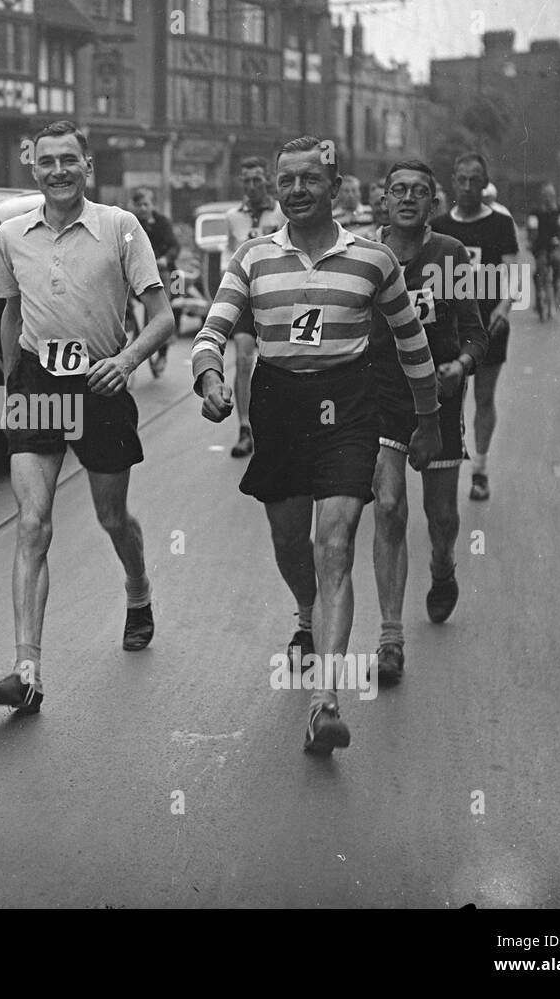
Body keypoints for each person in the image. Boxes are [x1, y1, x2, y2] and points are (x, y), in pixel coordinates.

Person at [192, 135, 441, 755]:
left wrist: (429, 418)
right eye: (287, 182)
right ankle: (305, 615)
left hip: (348, 407)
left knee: (334, 542)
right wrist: (210, 377)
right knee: (289, 541)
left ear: (335, 186)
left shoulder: (371, 260)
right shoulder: (251, 259)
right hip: (279, 404)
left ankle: (326, 700)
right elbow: (211, 331)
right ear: (276, 190)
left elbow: (412, 344)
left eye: (310, 180)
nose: (297, 192)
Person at [0, 120, 174, 713]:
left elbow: (163, 317)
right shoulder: (10, 234)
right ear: (33, 169)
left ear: (87, 167)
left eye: (70, 160)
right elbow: (10, 315)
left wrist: (126, 360)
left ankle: (138, 590)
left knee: (111, 517)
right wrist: (12, 382)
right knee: (32, 523)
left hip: (102, 383)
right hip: (39, 383)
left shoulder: (120, 227)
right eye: (48, 162)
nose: (59, 171)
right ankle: (26, 669)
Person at [368, 160, 488, 684]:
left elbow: (476, 334)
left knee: (441, 517)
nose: (408, 198)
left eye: (419, 191)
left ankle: (443, 566)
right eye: (399, 190)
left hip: (437, 404)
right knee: (390, 506)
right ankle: (390, 637)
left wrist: (459, 365)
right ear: (383, 200)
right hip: (382, 403)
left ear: (433, 203)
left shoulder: (450, 255)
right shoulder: (366, 256)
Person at [431, 152, 520, 503]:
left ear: (485, 184)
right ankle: (445, 467)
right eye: (462, 179)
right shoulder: (440, 226)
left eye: (475, 180)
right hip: (449, 331)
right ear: (454, 181)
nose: (467, 187)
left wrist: (504, 306)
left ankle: (479, 470)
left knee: (484, 398)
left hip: (488, 328)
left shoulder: (500, 224)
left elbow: (514, 276)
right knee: (447, 399)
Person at [223, 157, 286, 458]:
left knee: (279, 363)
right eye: (246, 181)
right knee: (244, 359)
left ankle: (279, 427)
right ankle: (245, 428)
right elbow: (227, 253)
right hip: (247, 298)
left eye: (257, 180)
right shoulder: (232, 216)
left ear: (267, 181)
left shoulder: (281, 212)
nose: (251, 186)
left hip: (278, 298)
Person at [130, 187, 181, 375]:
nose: (143, 208)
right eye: (139, 205)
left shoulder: (163, 223)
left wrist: (165, 259)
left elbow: (175, 246)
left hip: (166, 271)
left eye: (146, 204)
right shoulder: (131, 223)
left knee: (167, 307)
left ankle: (163, 352)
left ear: (152, 205)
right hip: (139, 273)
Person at [526, 182, 560, 319]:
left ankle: (557, 282)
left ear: (554, 196)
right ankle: (539, 294)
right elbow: (532, 229)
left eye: (550, 195)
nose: (548, 197)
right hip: (540, 246)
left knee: (557, 260)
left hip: (555, 245)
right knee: (540, 267)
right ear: (542, 196)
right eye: (545, 195)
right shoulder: (536, 212)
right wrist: (531, 241)